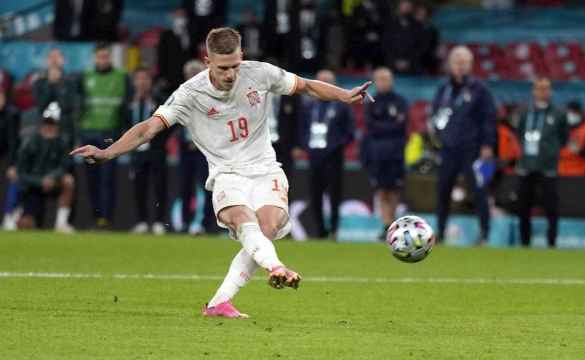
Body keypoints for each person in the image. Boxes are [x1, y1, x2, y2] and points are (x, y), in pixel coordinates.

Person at [70, 27, 372, 318]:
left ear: (242, 56)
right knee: (243, 219)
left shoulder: (259, 73)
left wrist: (344, 95)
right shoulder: (190, 94)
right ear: (208, 62)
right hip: (227, 173)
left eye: (235, 66)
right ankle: (276, 267)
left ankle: (218, 303)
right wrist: (108, 152)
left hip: (266, 168)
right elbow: (148, 128)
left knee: (266, 228)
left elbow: (305, 85)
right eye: (223, 67)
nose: (230, 74)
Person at [431, 46, 496, 243]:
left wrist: (488, 144)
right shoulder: (444, 89)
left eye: (464, 62)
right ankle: (440, 234)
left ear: (470, 65)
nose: (459, 66)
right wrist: (438, 137)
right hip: (449, 148)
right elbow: (435, 114)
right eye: (456, 62)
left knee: (479, 191)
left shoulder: (480, 90)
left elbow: (489, 118)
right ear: (450, 64)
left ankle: (484, 234)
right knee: (443, 190)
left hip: (473, 149)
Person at [295, 70, 355, 239]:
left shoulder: (341, 106)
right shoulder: (309, 106)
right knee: (315, 194)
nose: (325, 85)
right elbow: (302, 129)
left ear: (334, 84)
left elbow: (349, 132)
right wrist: (306, 145)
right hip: (314, 155)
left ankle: (335, 229)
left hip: (334, 155)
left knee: (335, 193)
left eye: (329, 82)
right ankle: (320, 231)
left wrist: (335, 145)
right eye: (322, 82)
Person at [78, 43, 130, 229]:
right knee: (92, 180)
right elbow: (78, 105)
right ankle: (95, 217)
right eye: (100, 57)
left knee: (108, 179)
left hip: (110, 134)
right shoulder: (85, 76)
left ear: (110, 58)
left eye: (106, 57)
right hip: (89, 132)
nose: (103, 60)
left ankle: (105, 219)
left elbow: (126, 106)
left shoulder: (121, 77)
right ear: (94, 58)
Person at [515, 78, 568, 248]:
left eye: (546, 88)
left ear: (550, 91)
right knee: (523, 205)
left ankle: (552, 242)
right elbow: (519, 132)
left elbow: (564, 138)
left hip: (548, 167)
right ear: (534, 91)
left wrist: (550, 151)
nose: (543, 92)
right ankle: (525, 242)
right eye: (540, 88)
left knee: (551, 207)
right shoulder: (525, 112)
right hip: (526, 165)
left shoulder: (559, 114)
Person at [362, 67, 408, 240]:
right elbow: (371, 126)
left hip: (396, 152)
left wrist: (382, 127)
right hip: (377, 152)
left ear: (392, 81)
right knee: (381, 190)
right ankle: (386, 224)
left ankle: (392, 223)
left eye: (386, 79)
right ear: (375, 82)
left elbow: (401, 126)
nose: (384, 82)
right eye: (380, 79)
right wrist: (389, 126)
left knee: (394, 189)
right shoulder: (370, 102)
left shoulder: (400, 101)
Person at [16, 105, 75, 233]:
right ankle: (17, 214)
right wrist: (40, 181)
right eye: (47, 124)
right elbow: (21, 173)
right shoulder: (29, 143)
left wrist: (52, 177)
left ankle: (61, 223)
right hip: (33, 186)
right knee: (26, 225)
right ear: (41, 125)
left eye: (52, 125)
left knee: (68, 181)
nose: (49, 128)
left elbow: (65, 165)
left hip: (54, 183)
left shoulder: (62, 142)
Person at [128, 68, 168, 235]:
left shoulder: (159, 101)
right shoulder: (129, 102)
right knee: (139, 186)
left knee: (159, 186)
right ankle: (142, 221)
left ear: (150, 82)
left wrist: (160, 140)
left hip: (156, 150)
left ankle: (159, 221)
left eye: (145, 79)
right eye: (139, 79)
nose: (142, 82)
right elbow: (124, 124)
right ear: (134, 82)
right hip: (136, 151)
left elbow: (170, 124)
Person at [177, 59, 214, 235]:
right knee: (184, 185)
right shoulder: (180, 95)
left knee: (206, 186)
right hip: (185, 148)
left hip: (205, 150)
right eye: (188, 75)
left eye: (195, 75)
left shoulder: (211, 96)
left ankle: (206, 223)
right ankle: (185, 222)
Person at [33, 48, 81, 152]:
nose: (54, 60)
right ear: (47, 61)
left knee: (67, 163)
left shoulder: (71, 81)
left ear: (63, 60)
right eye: (51, 57)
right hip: (44, 129)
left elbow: (69, 106)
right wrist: (50, 84)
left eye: (57, 57)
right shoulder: (39, 82)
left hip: (66, 130)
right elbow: (41, 106)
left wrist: (59, 84)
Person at [156, 8, 193, 96]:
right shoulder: (166, 35)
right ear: (173, 18)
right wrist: (161, 76)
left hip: (185, 78)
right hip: (170, 77)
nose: (180, 19)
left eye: (182, 17)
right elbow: (161, 57)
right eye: (178, 16)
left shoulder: (190, 35)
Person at [557, 100, 585, 177]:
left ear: (580, 113)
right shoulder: (561, 129)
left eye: (574, 112)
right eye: (569, 113)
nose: (571, 115)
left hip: (581, 175)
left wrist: (580, 151)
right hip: (561, 174)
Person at [0, 88, 21, 230]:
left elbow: (13, 141)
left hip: (8, 154)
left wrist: (13, 164)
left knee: (14, 180)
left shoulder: (12, 114)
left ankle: (8, 217)